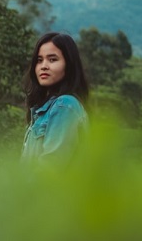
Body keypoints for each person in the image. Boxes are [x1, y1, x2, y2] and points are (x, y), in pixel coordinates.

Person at [21, 32, 90, 166]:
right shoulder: (43, 109)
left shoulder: (64, 106)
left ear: (68, 65)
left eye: (52, 59)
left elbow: (50, 168)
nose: (44, 66)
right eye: (39, 60)